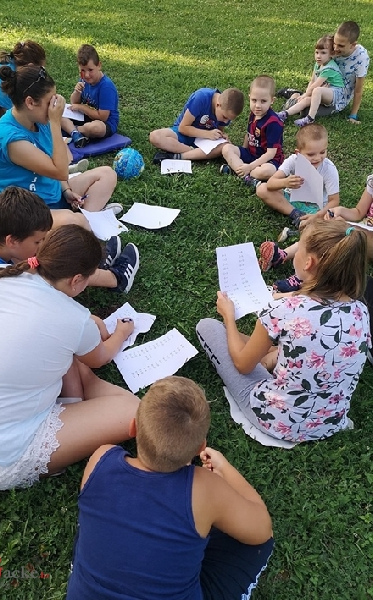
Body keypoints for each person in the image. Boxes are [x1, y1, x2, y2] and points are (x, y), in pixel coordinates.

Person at [0, 224, 140, 490]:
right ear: (76, 280)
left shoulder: (0, 275)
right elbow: (101, 357)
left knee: (69, 353)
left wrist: (87, 328)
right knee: (133, 411)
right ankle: (80, 403)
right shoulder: (73, 318)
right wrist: (121, 333)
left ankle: (79, 401)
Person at [66, 376, 273, 600]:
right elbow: (261, 530)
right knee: (259, 544)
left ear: (133, 427)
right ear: (201, 448)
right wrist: (225, 468)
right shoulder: (204, 487)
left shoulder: (100, 459)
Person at [197, 219, 371, 443]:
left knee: (208, 327)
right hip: (330, 422)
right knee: (289, 346)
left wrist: (228, 317)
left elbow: (242, 364)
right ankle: (268, 355)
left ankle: (263, 355)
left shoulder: (284, 309)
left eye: (299, 248)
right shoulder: (360, 310)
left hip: (276, 420)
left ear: (308, 262)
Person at [0, 65, 139, 292]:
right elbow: (59, 170)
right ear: (30, 102)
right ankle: (86, 237)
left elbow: (64, 161)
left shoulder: (37, 120)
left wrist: (66, 190)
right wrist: (56, 123)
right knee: (75, 223)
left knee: (107, 174)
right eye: (50, 101)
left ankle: (85, 223)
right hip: (27, 214)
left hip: (50, 192)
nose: (56, 106)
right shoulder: (11, 139)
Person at [0, 188, 136, 348]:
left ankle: (94, 264)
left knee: (54, 256)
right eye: (38, 241)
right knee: (58, 267)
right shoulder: (0, 279)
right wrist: (89, 320)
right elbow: (53, 295)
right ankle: (115, 279)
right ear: (12, 241)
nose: (42, 245)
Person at [257, 122, 339, 245]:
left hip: (315, 208)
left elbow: (334, 201)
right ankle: (296, 215)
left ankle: (304, 225)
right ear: (298, 153)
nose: (317, 158)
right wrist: (285, 182)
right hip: (291, 200)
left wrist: (317, 215)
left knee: (333, 221)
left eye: (322, 152)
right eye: (311, 154)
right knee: (262, 189)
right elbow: (270, 183)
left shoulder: (328, 169)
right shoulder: (293, 161)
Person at [278, 21, 369, 124]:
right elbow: (317, 71)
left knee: (305, 111)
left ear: (353, 45)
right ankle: (295, 96)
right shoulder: (332, 48)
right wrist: (308, 93)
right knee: (303, 103)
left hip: (338, 98)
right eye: (335, 43)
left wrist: (353, 115)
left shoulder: (361, 58)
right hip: (321, 88)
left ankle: (294, 95)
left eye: (341, 46)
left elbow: (358, 91)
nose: (335, 48)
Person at [149, 87, 244, 164]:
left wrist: (222, 136)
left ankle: (180, 156)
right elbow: (183, 128)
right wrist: (207, 134)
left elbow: (220, 129)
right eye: (224, 117)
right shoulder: (201, 97)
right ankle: (195, 154)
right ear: (218, 105)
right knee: (155, 136)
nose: (226, 121)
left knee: (226, 146)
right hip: (185, 134)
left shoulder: (225, 112)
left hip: (204, 141)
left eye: (229, 119)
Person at [221, 76, 284, 189]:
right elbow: (248, 134)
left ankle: (238, 170)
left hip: (269, 160)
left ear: (272, 100)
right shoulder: (253, 114)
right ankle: (246, 176)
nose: (258, 105)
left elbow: (270, 153)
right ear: (249, 98)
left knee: (266, 171)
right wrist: (243, 151)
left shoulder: (274, 122)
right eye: (254, 100)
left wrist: (249, 167)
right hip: (251, 154)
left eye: (263, 101)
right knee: (226, 149)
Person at [277, 35, 344, 127]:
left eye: (323, 53)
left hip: (335, 94)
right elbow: (312, 81)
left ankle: (310, 118)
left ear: (331, 54)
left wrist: (305, 94)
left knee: (316, 90)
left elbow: (316, 85)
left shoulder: (329, 68)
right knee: (305, 101)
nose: (318, 56)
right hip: (323, 90)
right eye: (317, 52)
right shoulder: (318, 64)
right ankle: (284, 114)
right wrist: (306, 95)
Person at [61, 44, 119, 147]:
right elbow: (74, 103)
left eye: (90, 70)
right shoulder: (84, 79)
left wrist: (82, 107)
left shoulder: (106, 87)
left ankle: (72, 131)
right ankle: (75, 133)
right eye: (82, 71)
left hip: (105, 123)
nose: (87, 75)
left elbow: (103, 117)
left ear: (99, 65)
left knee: (95, 128)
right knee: (57, 111)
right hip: (85, 117)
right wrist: (77, 92)